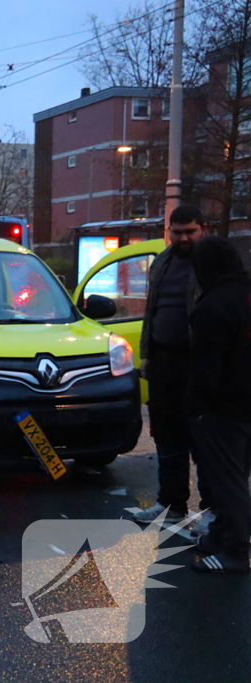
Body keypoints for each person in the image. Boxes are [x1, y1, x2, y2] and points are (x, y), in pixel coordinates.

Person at [132, 205, 212, 526]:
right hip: (164, 361)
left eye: (189, 231)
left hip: (196, 362)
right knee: (166, 435)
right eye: (176, 231)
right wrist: (147, 355)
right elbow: (151, 310)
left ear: (202, 229)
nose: (182, 238)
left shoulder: (210, 264)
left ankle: (211, 511)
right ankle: (170, 504)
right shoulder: (162, 262)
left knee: (204, 439)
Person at [186, 237, 251, 573]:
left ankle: (237, 550)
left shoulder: (213, 306)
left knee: (227, 480)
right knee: (238, 474)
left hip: (224, 407)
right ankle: (221, 535)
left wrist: (197, 407)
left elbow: (206, 367)